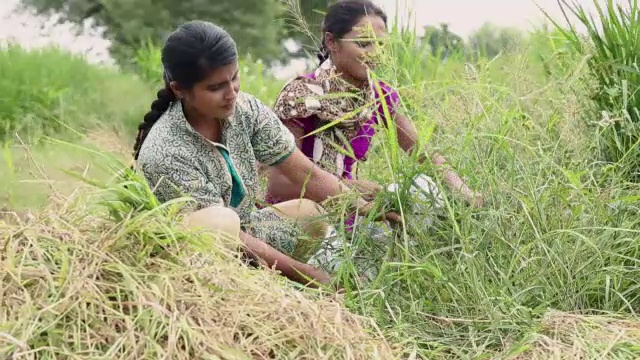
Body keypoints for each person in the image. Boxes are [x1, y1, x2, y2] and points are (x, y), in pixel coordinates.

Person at [132, 20, 399, 290]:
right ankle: (263, 285)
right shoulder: (165, 150)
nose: (231, 93)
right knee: (223, 221)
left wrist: (368, 209)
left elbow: (307, 174)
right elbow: (229, 236)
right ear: (179, 90)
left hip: (248, 228)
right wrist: (308, 274)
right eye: (215, 88)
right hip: (201, 249)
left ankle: (279, 280)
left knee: (311, 212)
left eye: (234, 78)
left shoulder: (246, 110)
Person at [265, 0, 483, 210]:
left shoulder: (379, 95)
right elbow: (279, 185)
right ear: (331, 42)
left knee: (425, 190)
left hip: (358, 212)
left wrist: (464, 192)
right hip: (304, 217)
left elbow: (423, 152)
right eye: (363, 43)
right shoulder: (301, 95)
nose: (375, 53)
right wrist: (363, 190)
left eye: (380, 44)